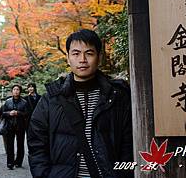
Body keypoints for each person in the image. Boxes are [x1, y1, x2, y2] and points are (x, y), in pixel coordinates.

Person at [27, 29, 133, 178]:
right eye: (76, 53)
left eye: (89, 53)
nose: (82, 59)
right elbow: (36, 144)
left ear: (99, 57)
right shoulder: (51, 99)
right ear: (68, 58)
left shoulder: (117, 96)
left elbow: (128, 144)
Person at [0, 85, 29, 170]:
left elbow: (27, 114)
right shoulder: (7, 102)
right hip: (9, 126)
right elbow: (2, 113)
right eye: (14, 89)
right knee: (10, 145)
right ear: (12, 91)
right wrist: (9, 113)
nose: (16, 91)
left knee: (20, 145)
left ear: (20, 91)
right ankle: (10, 163)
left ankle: (18, 162)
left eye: (17, 89)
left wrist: (18, 113)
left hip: (20, 126)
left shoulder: (24, 102)